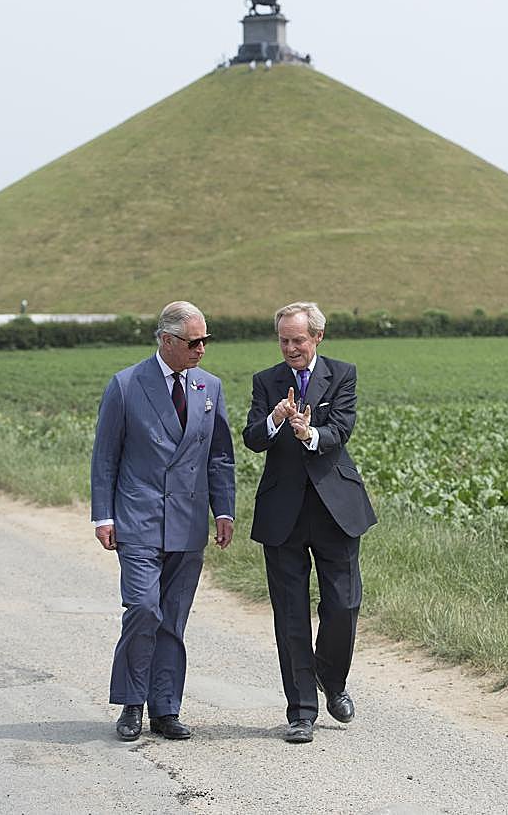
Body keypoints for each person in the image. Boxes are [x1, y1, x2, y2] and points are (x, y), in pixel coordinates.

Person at [91, 300, 235, 742]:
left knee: (173, 617)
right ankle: (132, 703)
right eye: (194, 342)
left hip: (188, 521)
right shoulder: (127, 384)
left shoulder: (209, 387)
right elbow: (106, 456)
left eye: (205, 341)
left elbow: (220, 456)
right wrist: (103, 515)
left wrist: (224, 509)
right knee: (142, 608)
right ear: (167, 341)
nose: (202, 350)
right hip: (138, 518)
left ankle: (165, 707)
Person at [243, 301, 376, 744]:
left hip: (335, 509)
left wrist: (308, 432)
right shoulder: (266, 381)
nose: (290, 348)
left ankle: (330, 678)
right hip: (283, 513)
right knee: (290, 615)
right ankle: (301, 711)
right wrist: (277, 419)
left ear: (317, 337)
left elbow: (341, 430)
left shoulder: (342, 374)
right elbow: (252, 439)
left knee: (344, 604)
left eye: (298, 340)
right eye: (283, 340)